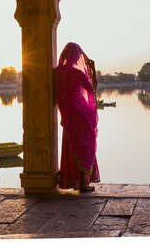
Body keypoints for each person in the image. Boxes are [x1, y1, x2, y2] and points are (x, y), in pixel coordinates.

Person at [54, 42, 100, 193]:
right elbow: (92, 90)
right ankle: (83, 184)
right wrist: (92, 69)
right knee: (85, 146)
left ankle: (72, 181)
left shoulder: (56, 72)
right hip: (81, 114)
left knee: (72, 146)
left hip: (67, 115)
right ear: (76, 57)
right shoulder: (78, 74)